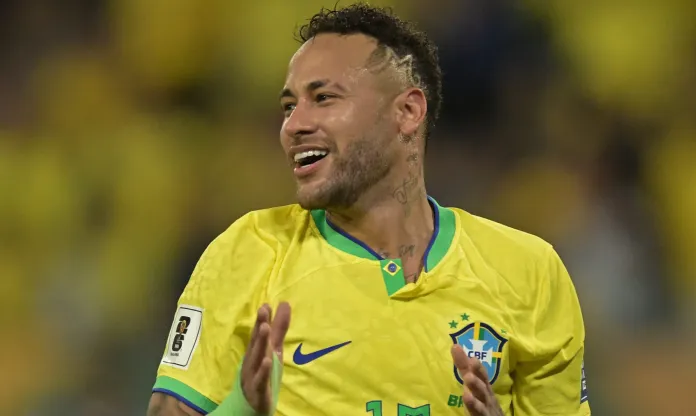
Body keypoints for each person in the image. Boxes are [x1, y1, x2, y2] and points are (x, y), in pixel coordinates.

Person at [147, 4, 590, 416]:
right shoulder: (250, 251)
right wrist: (244, 407)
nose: (294, 125)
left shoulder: (530, 272)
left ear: (408, 112)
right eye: (288, 106)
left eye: (323, 98)